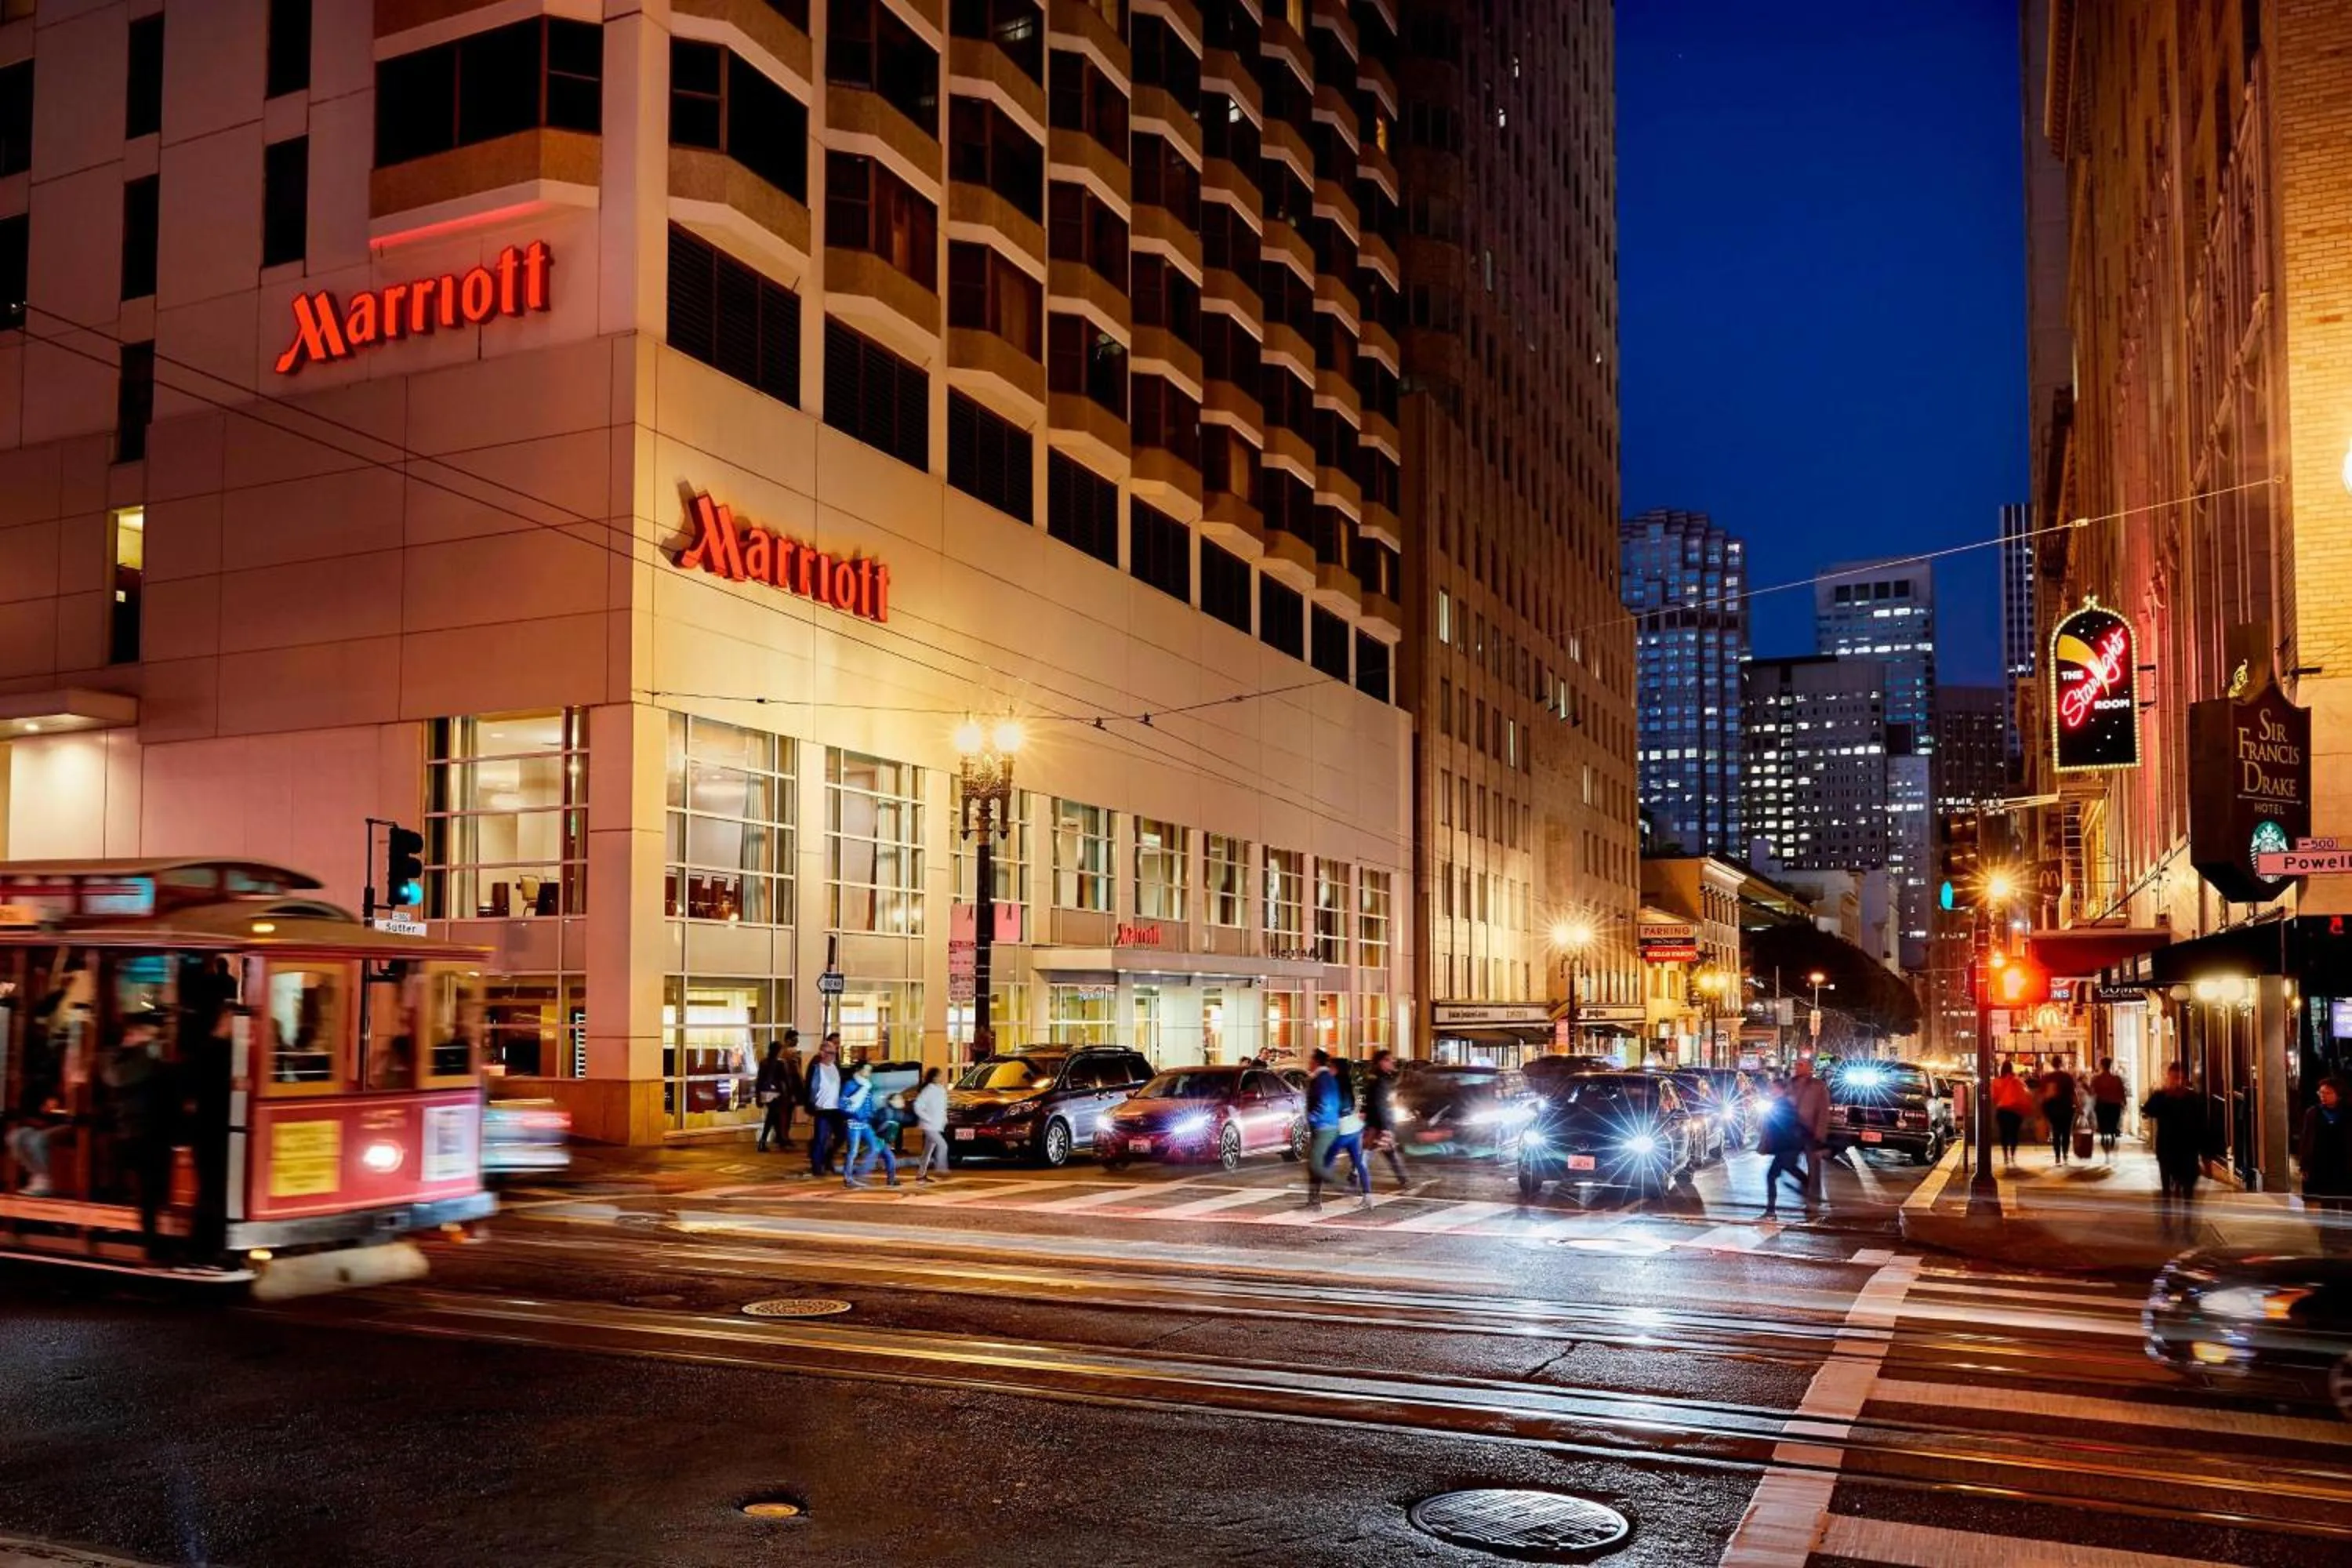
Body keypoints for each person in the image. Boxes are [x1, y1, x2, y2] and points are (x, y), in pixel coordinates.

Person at [102, 1011, 176, 1262]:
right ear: (130, 1035)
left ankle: (152, 1240)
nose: (150, 1040)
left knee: (152, 1192)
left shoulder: (149, 1060)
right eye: (145, 1035)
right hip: (134, 1133)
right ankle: (142, 1240)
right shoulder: (122, 1059)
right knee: (143, 1191)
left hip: (152, 1132)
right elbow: (119, 1077)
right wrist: (146, 1049)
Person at [2141, 1062, 2209, 1236]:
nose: (2176, 1081)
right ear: (2168, 1077)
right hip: (2168, 1150)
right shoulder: (2162, 1096)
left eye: (2179, 1078)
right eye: (2173, 1077)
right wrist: (2163, 1093)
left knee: (2188, 1191)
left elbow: (2202, 1127)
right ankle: (2168, 1224)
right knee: (2167, 1189)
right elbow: (2147, 1110)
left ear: (2184, 1078)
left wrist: (2205, 1155)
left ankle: (2186, 1226)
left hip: (2187, 1149)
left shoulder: (2193, 1099)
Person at [2298, 1076, 2352, 1254]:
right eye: (2321, 1093)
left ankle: (2348, 1237)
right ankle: (2329, 1239)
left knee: (2347, 1203)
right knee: (2327, 1203)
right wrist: (2304, 1165)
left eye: (2328, 1093)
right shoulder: (2313, 1113)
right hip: (2323, 1165)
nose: (2323, 1096)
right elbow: (2306, 1140)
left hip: (2346, 1165)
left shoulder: (2348, 1112)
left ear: (2339, 1095)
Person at [840, 1062, 898, 1189]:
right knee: (853, 1152)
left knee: (875, 1146)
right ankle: (849, 1178)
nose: (869, 1073)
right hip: (854, 1123)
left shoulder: (867, 1086)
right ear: (859, 1070)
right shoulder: (851, 1085)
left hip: (865, 1123)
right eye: (866, 1070)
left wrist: (873, 1115)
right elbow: (844, 1103)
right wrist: (853, 1115)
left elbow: (869, 1105)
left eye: (870, 1071)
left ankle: (862, 1174)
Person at [1359, 1050, 1411, 1190]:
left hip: (1374, 1123)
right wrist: (1385, 1127)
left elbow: (1370, 1102)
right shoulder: (1380, 1081)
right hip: (1378, 1124)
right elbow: (1379, 1104)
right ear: (1380, 1062)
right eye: (1388, 1060)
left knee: (1373, 1150)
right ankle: (1403, 1179)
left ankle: (1403, 1178)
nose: (1392, 1062)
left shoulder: (1376, 1078)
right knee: (1386, 1151)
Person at [1303, 1050, 1348, 1207]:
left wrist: (1311, 1118)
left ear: (1316, 1062)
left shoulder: (1322, 1079)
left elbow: (1325, 1102)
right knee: (1314, 1165)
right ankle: (1314, 1201)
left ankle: (1342, 1185)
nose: (1309, 1063)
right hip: (1326, 1126)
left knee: (1315, 1164)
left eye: (1310, 1060)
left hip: (1324, 1127)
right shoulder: (1325, 1078)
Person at [1788, 1057, 1832, 1214]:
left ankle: (1813, 1201)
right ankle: (1806, 1184)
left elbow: (1823, 1113)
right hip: (1793, 1132)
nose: (1797, 1068)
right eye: (1796, 1065)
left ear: (1809, 1068)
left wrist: (1820, 1135)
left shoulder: (1818, 1086)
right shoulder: (1790, 1084)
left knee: (1814, 1168)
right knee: (1786, 1162)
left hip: (1811, 1133)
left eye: (1801, 1065)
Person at [1757, 1077, 1805, 1220]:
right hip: (1787, 1147)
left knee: (1772, 1176)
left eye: (1773, 1088)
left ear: (1780, 1089)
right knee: (1789, 1170)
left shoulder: (1783, 1104)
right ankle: (1808, 1188)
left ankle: (1771, 1212)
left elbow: (1784, 1127)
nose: (1771, 1091)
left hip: (1787, 1147)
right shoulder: (1781, 1103)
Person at [805, 1034, 844, 1180]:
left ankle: (828, 1158)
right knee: (821, 1138)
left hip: (835, 1109)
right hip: (822, 1109)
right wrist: (811, 1105)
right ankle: (817, 1166)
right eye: (830, 1053)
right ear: (822, 1053)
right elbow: (810, 1087)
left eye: (834, 1053)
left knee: (841, 1135)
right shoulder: (817, 1068)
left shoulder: (836, 1067)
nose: (832, 1056)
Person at [911, 1067, 951, 1183]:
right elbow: (917, 1106)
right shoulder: (928, 1090)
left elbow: (942, 1108)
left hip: (936, 1126)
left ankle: (921, 1174)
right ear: (933, 1077)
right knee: (943, 1145)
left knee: (927, 1152)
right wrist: (927, 1118)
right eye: (939, 1076)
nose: (941, 1078)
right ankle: (941, 1169)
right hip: (929, 1126)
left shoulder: (941, 1090)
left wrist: (944, 1119)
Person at [754, 1040, 794, 1153]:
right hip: (777, 1094)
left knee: (774, 1116)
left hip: (766, 1094)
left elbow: (759, 1080)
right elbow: (786, 1080)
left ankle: (780, 1140)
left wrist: (758, 1095)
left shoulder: (764, 1062)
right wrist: (790, 1094)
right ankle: (763, 1141)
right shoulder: (781, 1063)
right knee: (772, 1117)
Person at [1991, 1062, 2034, 1167]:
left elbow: (1994, 1097)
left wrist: (2000, 1102)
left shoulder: (1996, 1082)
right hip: (2015, 1112)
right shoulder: (2017, 1081)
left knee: (2004, 1134)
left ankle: (2005, 1156)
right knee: (2014, 1134)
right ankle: (2013, 1155)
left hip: (2002, 1111)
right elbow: (2025, 1094)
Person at [2040, 1055, 2080, 1166]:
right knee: (2066, 1133)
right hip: (2067, 1107)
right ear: (2061, 1064)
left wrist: (2042, 1109)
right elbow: (2073, 1093)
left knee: (2056, 1132)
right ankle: (2065, 1155)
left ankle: (2057, 1157)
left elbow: (2043, 1094)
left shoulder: (2048, 1077)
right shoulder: (2067, 1077)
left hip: (2053, 1108)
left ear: (2052, 1064)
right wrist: (2078, 1106)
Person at [2089, 1058, 2129, 1160]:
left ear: (2102, 1065)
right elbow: (2122, 1092)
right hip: (2114, 1105)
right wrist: (2124, 1103)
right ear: (2110, 1065)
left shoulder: (2096, 1079)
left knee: (2103, 1123)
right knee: (2113, 1123)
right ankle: (2112, 1135)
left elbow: (2092, 1092)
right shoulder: (2116, 1079)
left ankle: (2104, 1136)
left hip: (2101, 1105)